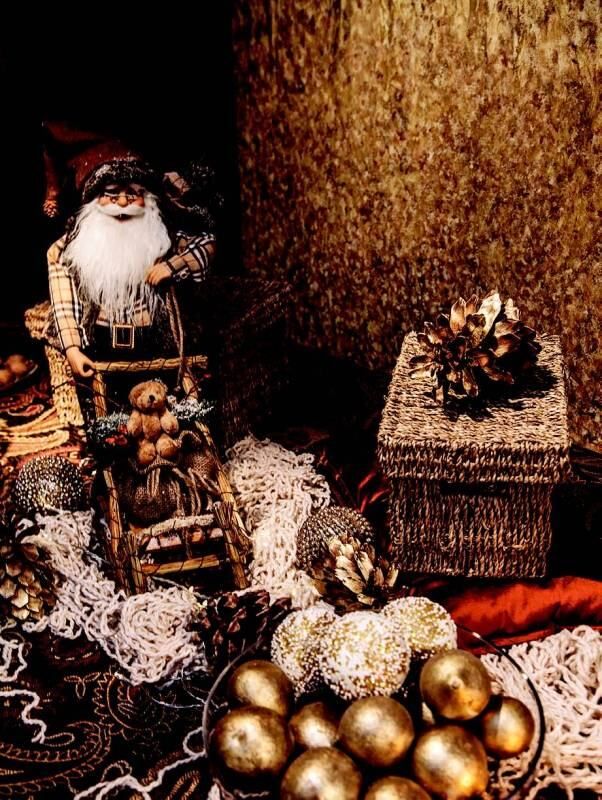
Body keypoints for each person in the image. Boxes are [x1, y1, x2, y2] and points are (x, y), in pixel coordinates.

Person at [46, 138, 216, 379]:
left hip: (155, 347)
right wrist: (72, 348)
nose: (123, 203)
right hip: (100, 349)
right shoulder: (70, 247)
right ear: (95, 201)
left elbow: (207, 245)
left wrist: (173, 266)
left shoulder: (163, 238)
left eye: (133, 194)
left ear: (147, 200)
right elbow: (64, 299)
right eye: (112, 195)